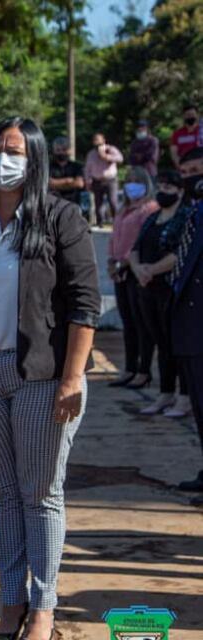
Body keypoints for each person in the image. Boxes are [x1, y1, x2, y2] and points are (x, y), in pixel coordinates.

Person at [0, 117, 100, 640]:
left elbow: (85, 304)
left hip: (41, 375)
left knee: (41, 494)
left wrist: (72, 377)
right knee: (4, 495)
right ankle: (10, 603)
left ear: (33, 160)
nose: (2, 159)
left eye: (14, 150)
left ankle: (44, 609)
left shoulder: (61, 218)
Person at [129, 169, 193, 419]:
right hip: (146, 287)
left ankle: (184, 397)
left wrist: (151, 270)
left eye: (169, 188)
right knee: (160, 343)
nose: (163, 191)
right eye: (161, 187)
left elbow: (181, 253)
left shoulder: (186, 217)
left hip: (170, 289)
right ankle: (165, 392)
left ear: (179, 191)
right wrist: (138, 270)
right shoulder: (152, 217)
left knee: (177, 345)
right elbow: (135, 248)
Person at [169, 146, 203, 505]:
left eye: (198, 170)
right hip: (189, 328)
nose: (192, 177)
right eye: (187, 170)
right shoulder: (192, 211)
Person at [107, 166, 158, 388]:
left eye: (137, 180)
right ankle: (129, 368)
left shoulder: (149, 209)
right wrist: (112, 261)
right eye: (128, 180)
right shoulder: (122, 209)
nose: (131, 184)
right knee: (128, 323)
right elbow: (114, 237)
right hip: (120, 271)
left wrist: (124, 262)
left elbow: (140, 241)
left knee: (142, 324)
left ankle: (143, 370)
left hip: (136, 270)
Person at [84, 132, 124, 226]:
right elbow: (87, 169)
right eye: (94, 140)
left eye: (98, 139)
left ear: (103, 140)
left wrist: (106, 157)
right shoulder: (91, 154)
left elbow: (120, 159)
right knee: (98, 204)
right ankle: (100, 223)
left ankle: (117, 223)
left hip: (110, 180)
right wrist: (88, 181)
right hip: (97, 181)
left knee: (113, 202)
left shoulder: (111, 149)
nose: (96, 142)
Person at [48, 137, 85, 207]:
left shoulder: (77, 166)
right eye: (58, 150)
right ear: (54, 151)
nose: (61, 152)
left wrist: (56, 184)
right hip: (54, 204)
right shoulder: (48, 167)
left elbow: (79, 184)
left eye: (64, 149)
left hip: (74, 204)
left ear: (70, 151)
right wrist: (69, 181)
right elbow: (48, 184)